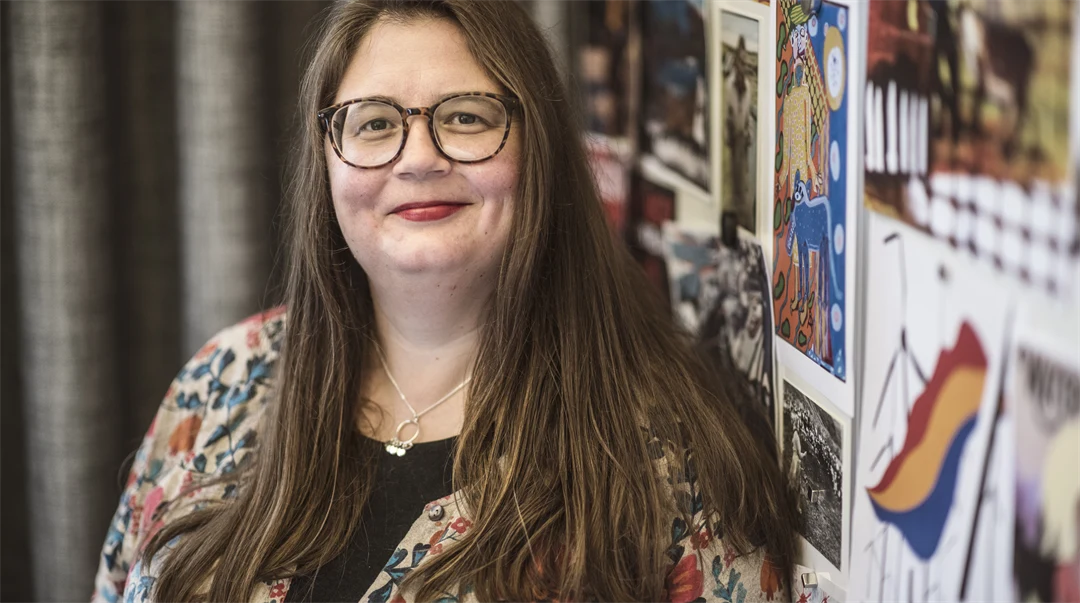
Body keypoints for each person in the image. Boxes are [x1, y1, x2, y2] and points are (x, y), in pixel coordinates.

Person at [91, 1, 796, 601]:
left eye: (465, 117)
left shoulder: (670, 458)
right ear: (327, 161)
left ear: (538, 151)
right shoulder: (221, 381)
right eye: (373, 123)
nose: (419, 156)